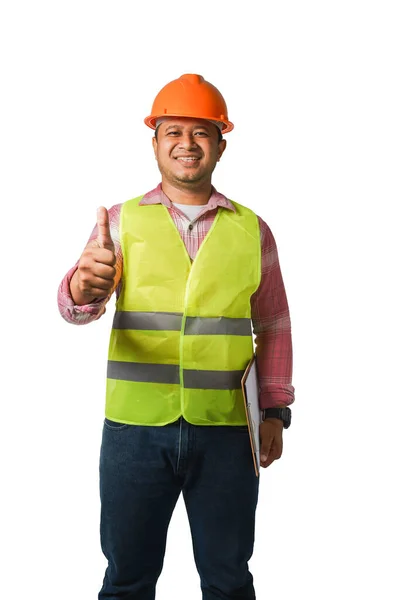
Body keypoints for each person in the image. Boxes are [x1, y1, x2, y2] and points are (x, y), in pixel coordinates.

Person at [58, 73, 295, 600]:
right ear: (155, 142)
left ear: (220, 144)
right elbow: (77, 309)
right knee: (126, 579)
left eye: (201, 132)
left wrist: (275, 410)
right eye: (173, 132)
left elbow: (274, 323)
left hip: (229, 431)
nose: (187, 144)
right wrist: (81, 286)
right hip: (134, 430)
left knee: (229, 580)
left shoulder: (252, 229)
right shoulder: (120, 223)